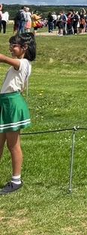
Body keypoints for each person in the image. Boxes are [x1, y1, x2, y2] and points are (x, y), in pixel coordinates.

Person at [0, 33, 36, 195]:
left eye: (14, 45)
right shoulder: (20, 63)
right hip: (6, 103)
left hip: (12, 104)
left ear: (24, 47)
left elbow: (4, 59)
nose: (11, 48)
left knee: (13, 145)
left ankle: (16, 180)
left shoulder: (23, 63)